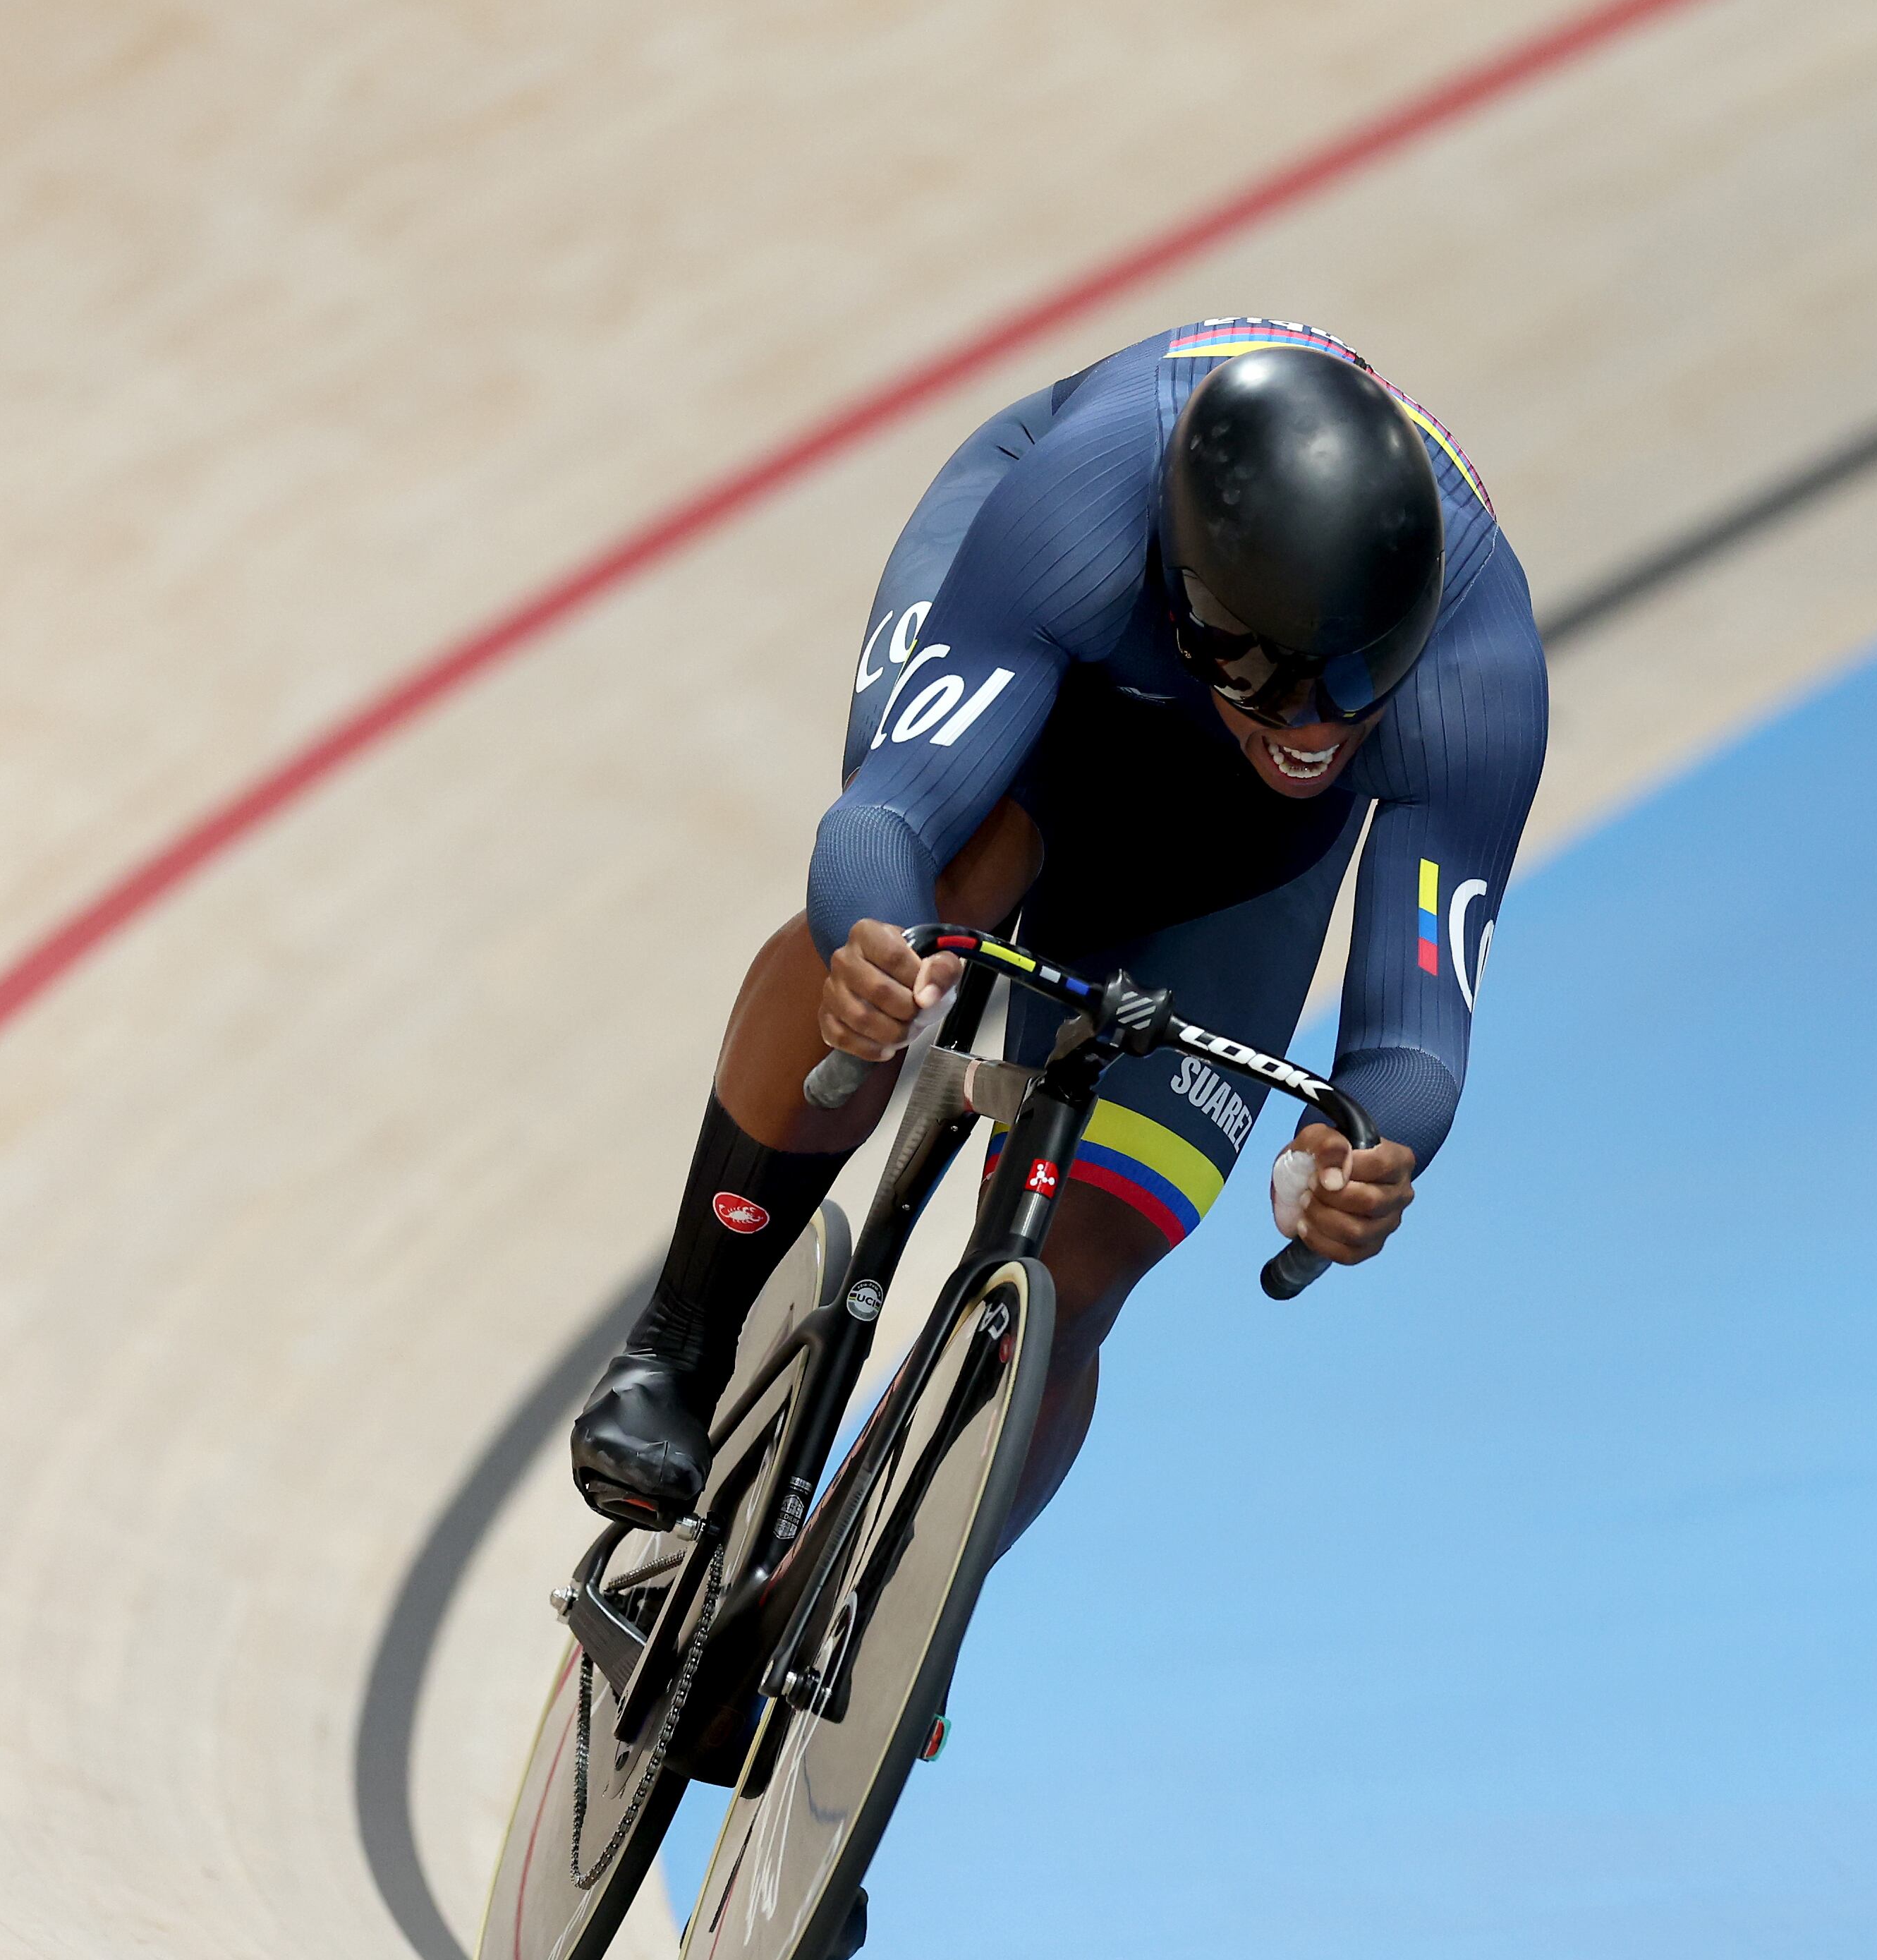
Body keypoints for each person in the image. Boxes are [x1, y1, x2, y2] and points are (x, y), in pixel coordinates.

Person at [571, 318, 1548, 1538]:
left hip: (1227, 825)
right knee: (941, 902)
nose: (1320, 732)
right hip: (1046, 665)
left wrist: (1362, 1153)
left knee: (1080, 1268)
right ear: (1194, 619)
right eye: (1287, 692)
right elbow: (888, 815)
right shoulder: (1077, 509)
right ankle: (680, 1340)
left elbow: (1414, 1042)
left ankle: (877, 1595)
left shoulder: (1474, 676)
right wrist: (875, 940)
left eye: (1361, 688)